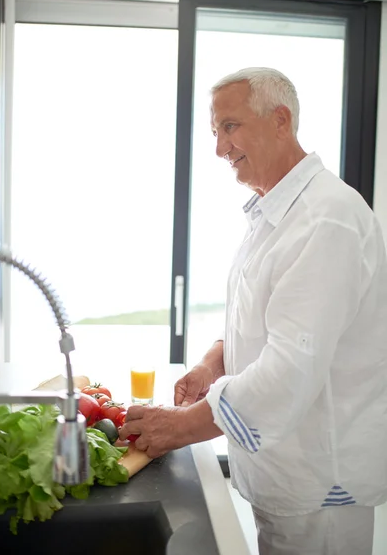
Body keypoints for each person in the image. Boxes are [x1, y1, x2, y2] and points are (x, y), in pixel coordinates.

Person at [119, 67, 387, 555]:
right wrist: (213, 362)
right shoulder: (275, 213)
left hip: (319, 488)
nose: (220, 148)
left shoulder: (327, 220)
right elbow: (268, 323)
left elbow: (290, 370)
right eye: (216, 131)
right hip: (284, 470)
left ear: (280, 120)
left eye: (230, 126)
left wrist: (179, 426)